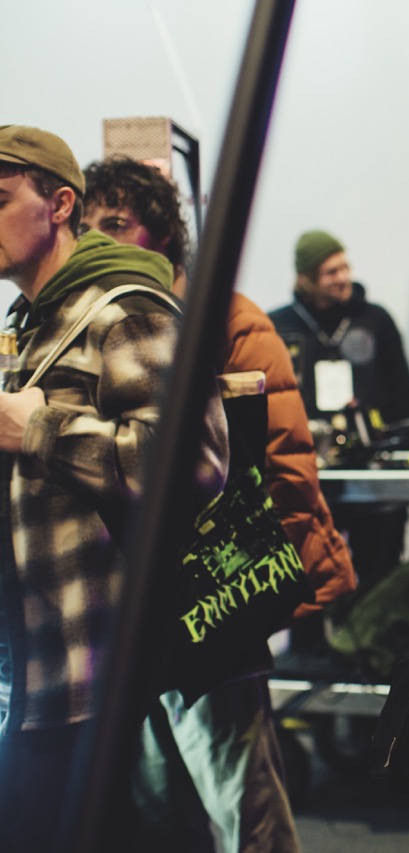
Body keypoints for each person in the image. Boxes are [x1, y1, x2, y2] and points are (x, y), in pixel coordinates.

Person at [82, 155, 357, 851]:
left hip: (214, 599)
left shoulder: (223, 317)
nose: (100, 240)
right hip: (128, 607)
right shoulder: (98, 323)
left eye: (117, 223)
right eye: (89, 225)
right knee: (156, 806)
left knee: (244, 804)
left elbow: (283, 462)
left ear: (164, 235)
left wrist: (269, 590)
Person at [0, 125, 228, 849]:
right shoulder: (31, 321)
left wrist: (40, 430)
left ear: (59, 203)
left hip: (97, 664)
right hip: (36, 658)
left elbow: (193, 458)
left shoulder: (123, 305)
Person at [269, 232, 409, 613]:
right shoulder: (279, 327)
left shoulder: (375, 319)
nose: (342, 276)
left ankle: (368, 647)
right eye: (330, 270)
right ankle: (311, 654)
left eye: (344, 266)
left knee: (379, 573)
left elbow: (403, 395)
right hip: (310, 474)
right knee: (307, 574)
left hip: (375, 473)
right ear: (305, 278)